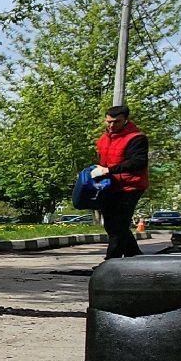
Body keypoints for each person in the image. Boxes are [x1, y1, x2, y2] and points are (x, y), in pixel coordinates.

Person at [78, 105, 148, 259]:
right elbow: (103, 162)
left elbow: (138, 162)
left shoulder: (136, 138)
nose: (111, 125)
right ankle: (135, 257)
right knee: (112, 225)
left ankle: (110, 262)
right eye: (108, 121)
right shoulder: (103, 139)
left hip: (130, 187)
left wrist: (109, 170)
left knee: (118, 225)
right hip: (110, 186)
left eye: (116, 122)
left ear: (125, 120)